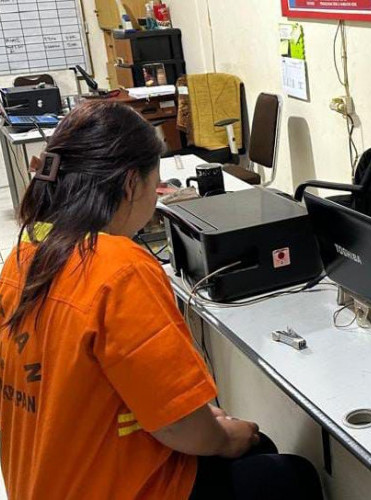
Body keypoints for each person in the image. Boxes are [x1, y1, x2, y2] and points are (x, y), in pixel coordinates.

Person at [0, 101, 323, 499]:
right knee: (288, 471)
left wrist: (201, 420)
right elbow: (177, 428)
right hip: (113, 487)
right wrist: (224, 435)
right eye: (156, 183)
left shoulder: (25, 255)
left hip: (45, 482)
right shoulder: (118, 269)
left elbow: (110, 392)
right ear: (131, 183)